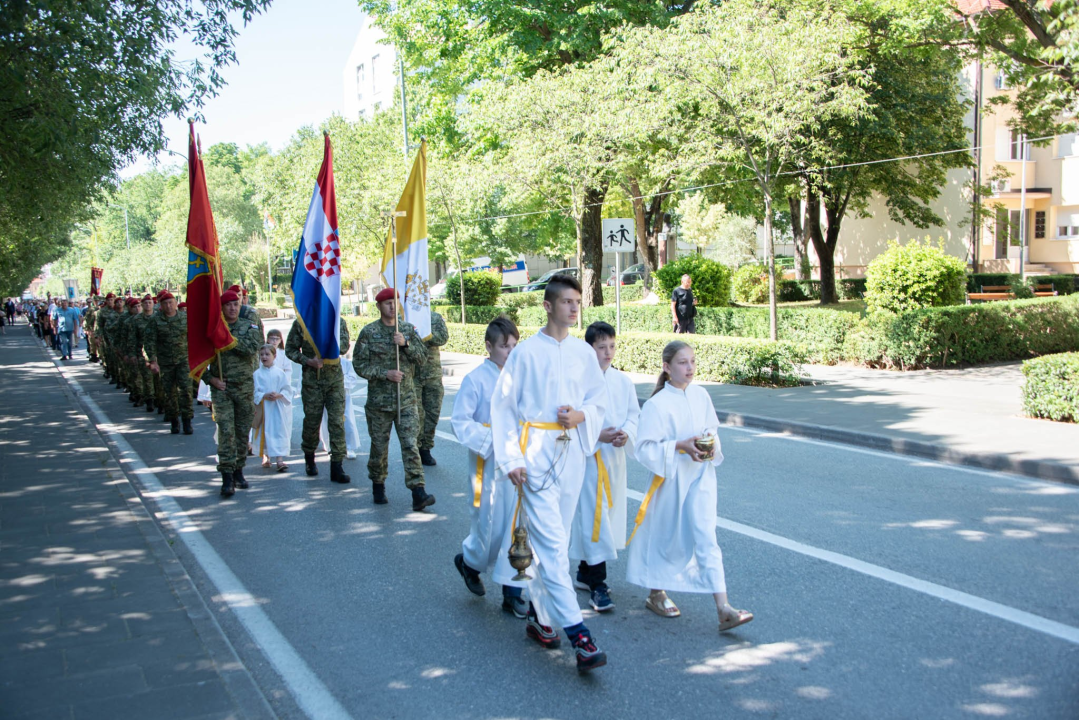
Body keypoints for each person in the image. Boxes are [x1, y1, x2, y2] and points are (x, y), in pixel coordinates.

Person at [489, 274, 609, 674]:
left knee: (554, 543)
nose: (575, 308)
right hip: (536, 456)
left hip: (573, 454)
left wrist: (581, 415)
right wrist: (512, 459)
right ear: (548, 305)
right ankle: (580, 636)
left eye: (578, 302)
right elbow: (503, 407)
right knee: (555, 545)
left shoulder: (583, 353)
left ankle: (541, 619)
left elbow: (598, 400)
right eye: (567, 302)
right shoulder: (526, 354)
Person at [625, 340, 754, 632]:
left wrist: (709, 444)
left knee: (707, 535)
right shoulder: (657, 404)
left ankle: (723, 607)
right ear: (667, 368)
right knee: (665, 535)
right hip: (669, 480)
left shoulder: (701, 394)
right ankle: (656, 592)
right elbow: (644, 448)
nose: (690, 367)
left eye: (693, 361)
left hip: (701, 477)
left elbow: (712, 429)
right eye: (683, 363)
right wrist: (679, 447)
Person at [451, 316, 527, 618]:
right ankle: (469, 562)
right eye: (504, 346)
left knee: (517, 526)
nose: (510, 352)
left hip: (519, 461)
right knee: (489, 526)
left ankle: (513, 591)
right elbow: (460, 421)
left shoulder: (522, 377)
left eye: (514, 346)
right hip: (489, 462)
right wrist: (492, 439)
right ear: (489, 346)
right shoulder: (475, 379)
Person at [569, 321, 639, 613]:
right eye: (601, 347)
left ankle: (586, 572)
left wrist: (626, 434)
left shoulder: (622, 381)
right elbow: (570, 420)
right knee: (594, 517)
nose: (608, 353)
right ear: (589, 349)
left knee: (605, 517)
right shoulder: (578, 381)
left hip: (614, 459)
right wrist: (598, 435)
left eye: (612, 346)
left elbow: (634, 415)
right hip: (588, 457)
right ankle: (599, 583)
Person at [353, 287, 434, 510]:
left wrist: (405, 344)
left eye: (394, 302)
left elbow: (422, 359)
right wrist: (384, 374)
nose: (391, 306)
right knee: (379, 447)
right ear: (378, 306)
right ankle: (378, 484)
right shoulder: (369, 332)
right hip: (379, 404)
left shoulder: (407, 329)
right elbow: (359, 365)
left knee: (410, 445)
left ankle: (418, 491)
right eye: (387, 303)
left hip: (406, 400)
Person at [205, 290, 264, 497]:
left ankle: (239, 469)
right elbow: (197, 358)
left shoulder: (249, 326)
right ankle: (226, 476)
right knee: (226, 432)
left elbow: (251, 348)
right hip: (222, 388)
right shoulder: (212, 329)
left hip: (244, 387)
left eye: (236, 304)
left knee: (241, 432)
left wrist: (226, 338)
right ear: (221, 307)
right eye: (228, 305)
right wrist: (210, 379)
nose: (232, 308)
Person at [284, 312, 351, 484]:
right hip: (312, 381)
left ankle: (337, 465)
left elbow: (344, 346)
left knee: (337, 422)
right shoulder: (302, 323)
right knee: (312, 421)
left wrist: (328, 340)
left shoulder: (337, 321)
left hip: (334, 380)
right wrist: (307, 360)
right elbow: (290, 349)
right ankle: (309, 457)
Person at [145, 292, 193, 435]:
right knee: (169, 393)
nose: (168, 306)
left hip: (183, 361)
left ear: (176, 303)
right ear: (160, 305)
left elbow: (193, 338)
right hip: (165, 363)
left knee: (186, 391)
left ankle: (187, 421)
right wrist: (153, 361)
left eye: (171, 302)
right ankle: (174, 421)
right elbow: (150, 341)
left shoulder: (185, 318)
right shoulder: (155, 320)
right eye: (165, 303)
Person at [253, 344, 292, 472]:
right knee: (265, 431)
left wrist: (279, 395)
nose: (264, 357)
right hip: (264, 408)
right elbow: (254, 392)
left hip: (277, 408)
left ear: (274, 356)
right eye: (262, 355)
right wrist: (263, 395)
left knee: (278, 431)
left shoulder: (279, 373)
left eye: (267, 354)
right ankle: (266, 456)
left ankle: (279, 459)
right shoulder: (257, 374)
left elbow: (287, 390)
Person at [416, 310, 448, 466]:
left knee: (433, 413)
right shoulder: (402, 317)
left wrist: (426, 335)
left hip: (432, 375)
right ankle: (414, 450)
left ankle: (426, 447)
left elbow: (443, 338)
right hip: (412, 375)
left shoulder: (434, 317)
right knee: (415, 415)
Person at [320, 351, 362, 460]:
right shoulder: (322, 362)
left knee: (347, 420)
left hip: (343, 395)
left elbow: (352, 379)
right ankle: (330, 446)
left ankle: (349, 447)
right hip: (327, 395)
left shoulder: (345, 363)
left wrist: (339, 381)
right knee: (327, 419)